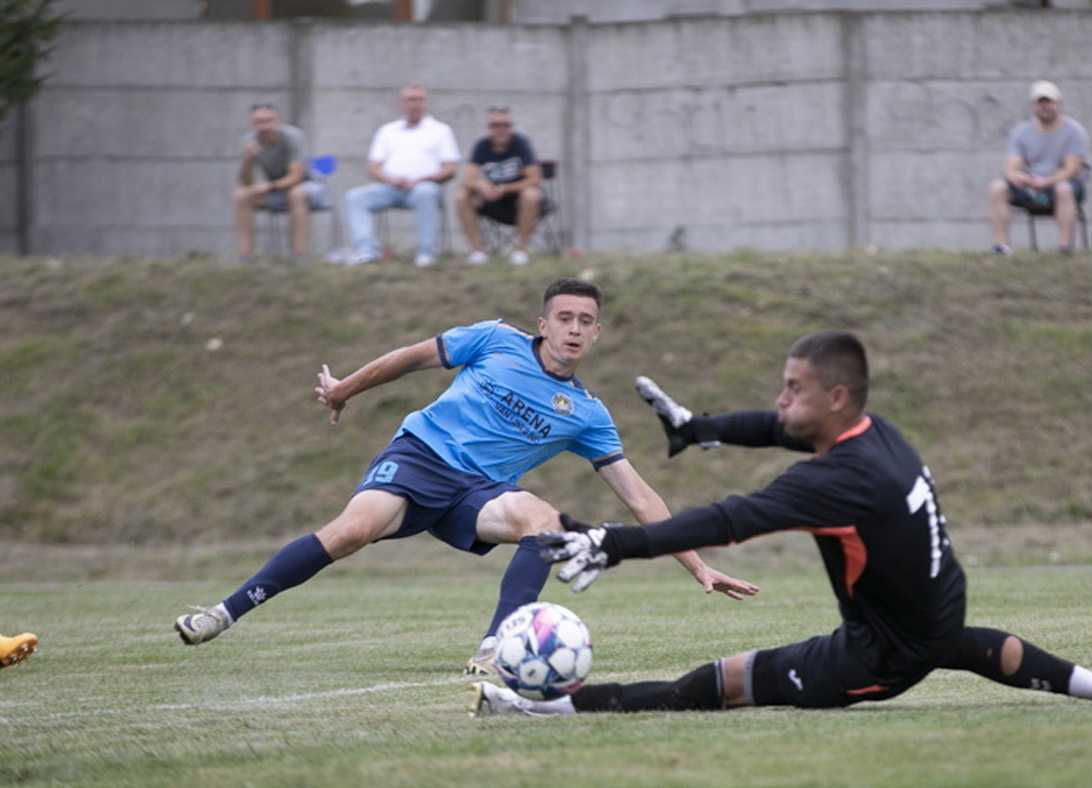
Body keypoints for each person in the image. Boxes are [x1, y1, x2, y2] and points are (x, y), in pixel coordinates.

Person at [467, 331, 1092, 717]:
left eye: (795, 387)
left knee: (718, 683)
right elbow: (776, 428)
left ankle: (547, 709)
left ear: (834, 396)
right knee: (980, 649)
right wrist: (697, 428)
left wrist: (612, 541)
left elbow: (732, 518)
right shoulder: (870, 434)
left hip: (875, 657)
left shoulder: (840, 482)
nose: (781, 398)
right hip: (935, 616)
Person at [174, 278, 757, 676]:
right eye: (565, 318)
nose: (575, 329)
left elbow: (638, 495)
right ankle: (222, 614)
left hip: (476, 494)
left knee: (545, 522)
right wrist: (345, 388)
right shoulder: (494, 340)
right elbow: (409, 356)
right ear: (544, 323)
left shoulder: (587, 413)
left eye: (586, 321)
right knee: (352, 533)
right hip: (421, 457)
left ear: (597, 333)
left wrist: (698, 565)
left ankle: (496, 648)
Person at [343, 84, 462, 268]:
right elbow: (373, 168)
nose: (414, 104)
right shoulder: (387, 131)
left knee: (426, 193)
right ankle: (367, 251)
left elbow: (451, 167)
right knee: (355, 197)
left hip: (425, 187)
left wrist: (424, 179)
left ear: (425, 102)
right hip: (391, 187)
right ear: (402, 103)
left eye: (418, 99)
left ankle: (426, 253)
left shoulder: (440, 130)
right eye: (410, 100)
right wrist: (392, 180)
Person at [988, 81, 1090, 255]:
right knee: (997, 187)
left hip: (1062, 185)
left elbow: (1072, 169)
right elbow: (1011, 168)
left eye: (1049, 102)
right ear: (1033, 106)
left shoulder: (1074, 131)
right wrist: (1019, 178)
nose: (1045, 107)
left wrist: (1047, 181)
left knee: (1064, 189)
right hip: (1030, 186)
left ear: (1058, 103)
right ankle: (1001, 246)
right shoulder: (1020, 132)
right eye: (1040, 102)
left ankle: (1064, 248)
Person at [232, 103, 329, 261]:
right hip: (276, 191)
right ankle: (245, 257)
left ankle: (298, 257)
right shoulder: (249, 141)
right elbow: (246, 182)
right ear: (252, 124)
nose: (264, 126)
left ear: (277, 121)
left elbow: (296, 176)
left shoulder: (293, 137)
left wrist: (269, 186)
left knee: (296, 194)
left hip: (308, 186)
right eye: (259, 122)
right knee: (241, 195)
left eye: (268, 120)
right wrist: (248, 160)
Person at [456, 107, 548, 267]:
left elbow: (534, 178)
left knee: (531, 194)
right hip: (491, 202)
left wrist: (505, 188)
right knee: (461, 196)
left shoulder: (520, 144)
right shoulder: (482, 146)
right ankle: (478, 251)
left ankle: (521, 250)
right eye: (496, 125)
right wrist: (481, 185)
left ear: (511, 126)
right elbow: (468, 178)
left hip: (517, 202)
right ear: (489, 127)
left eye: (505, 125)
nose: (501, 130)